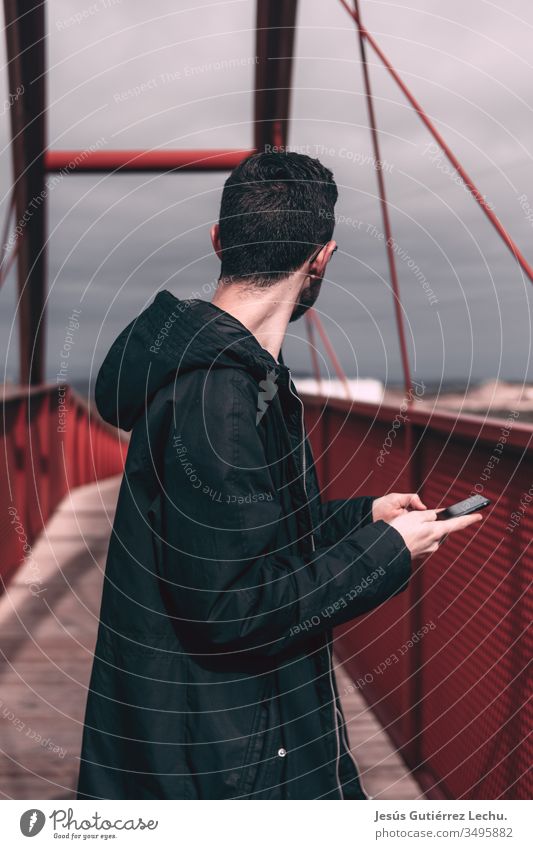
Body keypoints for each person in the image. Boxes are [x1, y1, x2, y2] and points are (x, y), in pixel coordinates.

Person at [77, 151, 482, 800]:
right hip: (230, 767)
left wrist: (361, 517)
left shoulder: (228, 378)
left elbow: (236, 539)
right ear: (320, 258)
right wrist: (385, 552)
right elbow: (230, 609)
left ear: (219, 240)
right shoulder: (220, 396)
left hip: (224, 739)